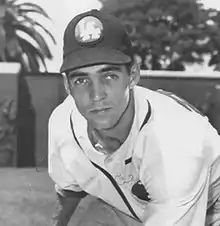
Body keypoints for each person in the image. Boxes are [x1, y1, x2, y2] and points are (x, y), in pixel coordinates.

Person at [48, 9, 220, 226]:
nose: (97, 94)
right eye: (81, 80)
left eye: (109, 76)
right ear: (67, 86)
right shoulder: (62, 124)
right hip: (145, 207)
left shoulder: (175, 141)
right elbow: (68, 191)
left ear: (133, 76)